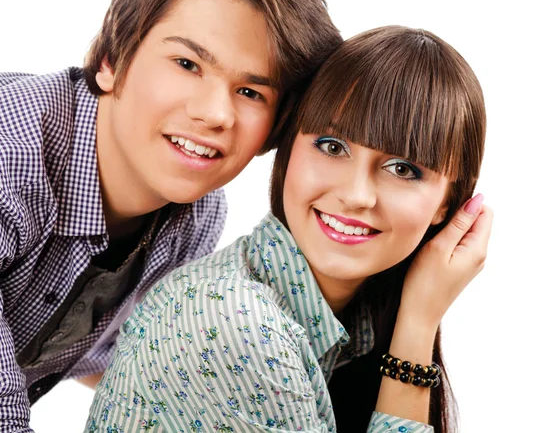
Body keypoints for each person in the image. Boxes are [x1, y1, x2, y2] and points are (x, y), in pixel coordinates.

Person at [0, 0, 342, 431]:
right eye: (187, 64)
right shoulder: (13, 153)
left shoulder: (194, 215)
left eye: (250, 91)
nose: (215, 113)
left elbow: (139, 360)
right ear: (111, 60)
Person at [84, 26, 492, 432]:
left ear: (447, 202)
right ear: (289, 146)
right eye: (332, 146)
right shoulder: (234, 322)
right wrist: (417, 325)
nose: (355, 195)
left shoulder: (354, 323)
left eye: (403, 169)